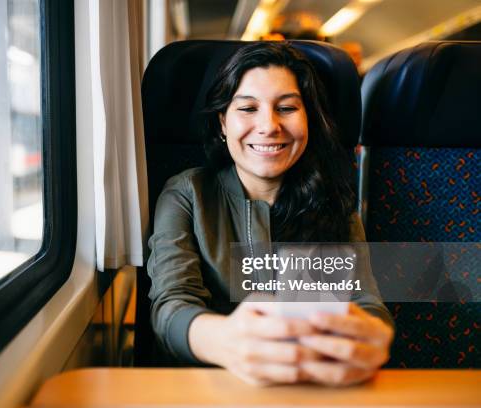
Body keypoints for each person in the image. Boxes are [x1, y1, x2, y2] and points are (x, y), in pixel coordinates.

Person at [147, 42, 394, 386]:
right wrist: (226, 341)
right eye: (248, 108)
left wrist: (368, 337)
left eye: (287, 108)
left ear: (309, 119)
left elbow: (366, 303)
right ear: (223, 122)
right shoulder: (187, 194)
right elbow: (171, 306)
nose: (269, 126)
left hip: (312, 386)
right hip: (208, 388)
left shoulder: (334, 200)